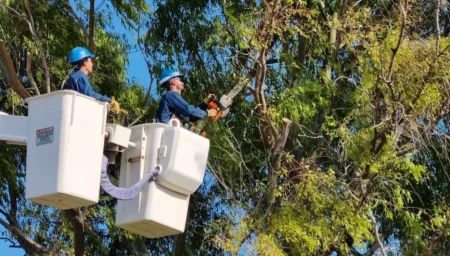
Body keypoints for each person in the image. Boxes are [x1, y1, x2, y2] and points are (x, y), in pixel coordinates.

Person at [64, 46, 120, 112]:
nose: (92, 64)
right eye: (90, 61)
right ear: (84, 62)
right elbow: (90, 94)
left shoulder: (73, 77)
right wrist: (110, 101)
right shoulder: (80, 77)